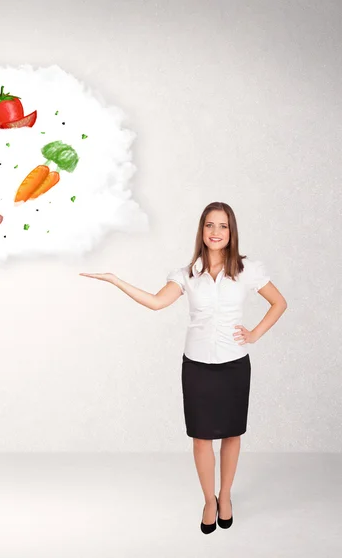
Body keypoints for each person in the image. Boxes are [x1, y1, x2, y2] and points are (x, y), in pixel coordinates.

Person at [80, 201, 287, 534]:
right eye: (209, 225)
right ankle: (208, 499)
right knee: (201, 437)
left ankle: (226, 496)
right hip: (197, 366)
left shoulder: (248, 270)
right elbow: (157, 302)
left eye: (222, 226)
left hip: (234, 364)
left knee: (232, 433)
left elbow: (279, 303)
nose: (216, 232)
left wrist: (254, 334)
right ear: (201, 231)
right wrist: (115, 280)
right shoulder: (187, 273)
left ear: (232, 231)